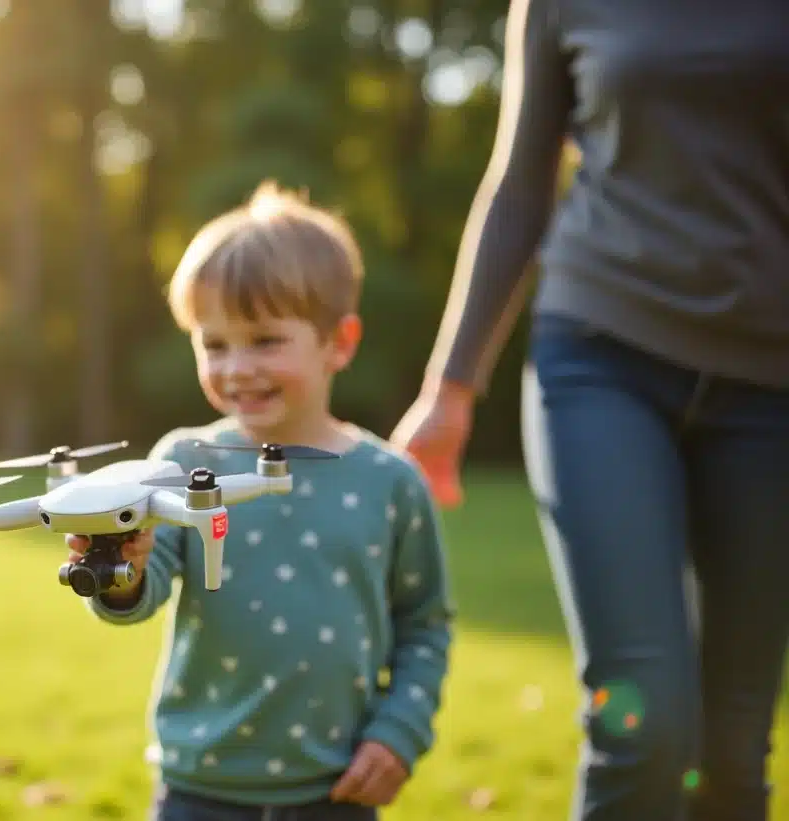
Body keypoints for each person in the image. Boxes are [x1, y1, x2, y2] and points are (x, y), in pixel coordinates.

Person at [389, 0, 789, 819]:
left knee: (733, 747)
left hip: (771, 386)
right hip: (602, 355)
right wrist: (450, 387)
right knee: (643, 725)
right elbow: (518, 185)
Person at [65, 181, 455, 820]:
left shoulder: (392, 482)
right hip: (200, 790)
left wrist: (400, 732)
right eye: (214, 344)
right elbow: (142, 588)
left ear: (340, 343)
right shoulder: (184, 462)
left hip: (337, 791)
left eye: (265, 340)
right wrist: (122, 570)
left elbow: (425, 625)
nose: (237, 367)